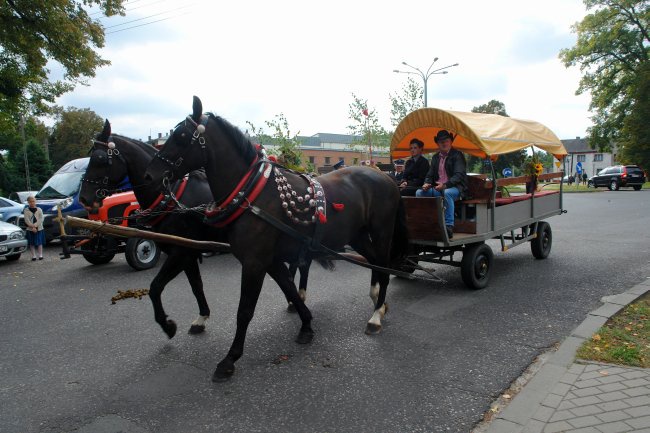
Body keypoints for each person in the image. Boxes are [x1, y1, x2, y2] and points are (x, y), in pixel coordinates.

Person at [416, 130, 468, 239]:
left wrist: (445, 185)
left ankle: (449, 226)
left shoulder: (457, 155)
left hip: (456, 188)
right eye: (441, 142)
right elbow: (430, 175)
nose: (444, 143)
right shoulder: (435, 157)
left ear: (450, 142)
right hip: (439, 188)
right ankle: (425, 222)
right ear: (437, 144)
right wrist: (426, 183)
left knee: (447, 193)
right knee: (419, 192)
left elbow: (458, 175)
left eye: (446, 141)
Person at [23, 196, 45, 261]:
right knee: (31, 242)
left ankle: (40, 255)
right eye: (30, 202)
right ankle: (33, 255)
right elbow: (26, 220)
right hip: (30, 229)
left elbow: (41, 219)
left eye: (33, 201)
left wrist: (35, 225)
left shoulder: (39, 209)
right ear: (28, 202)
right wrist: (32, 227)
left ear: (35, 202)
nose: (32, 203)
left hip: (39, 228)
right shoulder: (26, 210)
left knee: (39, 242)